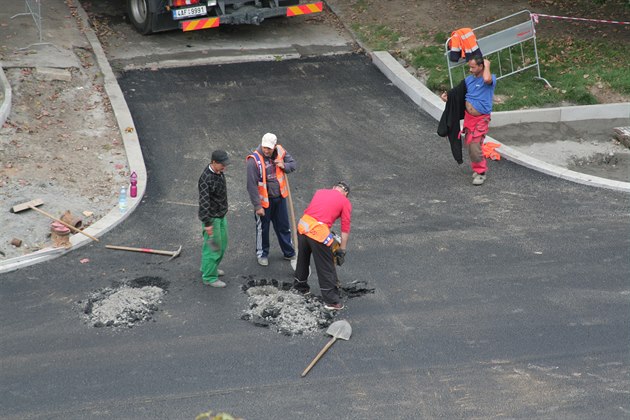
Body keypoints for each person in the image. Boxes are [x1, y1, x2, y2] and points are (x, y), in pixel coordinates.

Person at [293, 182, 352, 311]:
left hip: (303, 225)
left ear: (333, 187)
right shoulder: (345, 201)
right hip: (318, 232)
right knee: (326, 265)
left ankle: (300, 287)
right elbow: (345, 227)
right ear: (346, 193)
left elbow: (319, 212)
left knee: (303, 259)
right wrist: (342, 249)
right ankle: (331, 301)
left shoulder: (320, 192)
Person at [441, 56, 496, 186]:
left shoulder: (489, 78)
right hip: (469, 118)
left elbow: (487, 79)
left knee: (475, 145)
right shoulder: (469, 80)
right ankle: (477, 168)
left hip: (481, 119)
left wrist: (487, 65)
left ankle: (481, 172)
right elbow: (457, 93)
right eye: (469, 67)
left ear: (481, 66)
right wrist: (447, 98)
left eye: (473, 67)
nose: (470, 70)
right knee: (470, 144)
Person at [246, 133, 297, 266]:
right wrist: (257, 206)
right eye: (264, 147)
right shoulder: (254, 160)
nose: (266, 150)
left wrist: (284, 166)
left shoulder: (280, 151)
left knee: (284, 226)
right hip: (264, 202)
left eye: (269, 148)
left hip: (279, 198)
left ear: (274, 146)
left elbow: (293, 164)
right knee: (263, 228)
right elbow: (251, 185)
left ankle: (289, 252)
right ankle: (262, 254)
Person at [198, 150, 230, 287]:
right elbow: (204, 202)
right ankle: (209, 277)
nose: (225, 167)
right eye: (222, 164)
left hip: (221, 215)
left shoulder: (218, 172)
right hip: (212, 219)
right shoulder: (206, 179)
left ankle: (209, 267)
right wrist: (207, 223)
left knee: (221, 245)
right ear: (214, 162)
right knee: (213, 248)